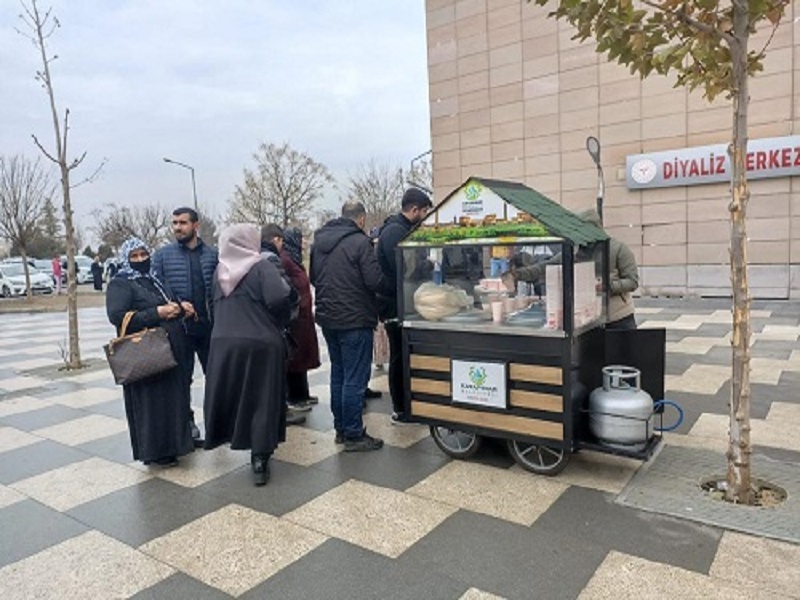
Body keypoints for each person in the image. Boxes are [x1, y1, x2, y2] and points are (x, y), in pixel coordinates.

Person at [203, 224, 293, 486]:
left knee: (236, 396)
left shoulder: (220, 272)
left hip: (223, 343)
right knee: (262, 398)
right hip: (261, 343)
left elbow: (211, 307)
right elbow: (279, 298)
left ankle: (227, 436)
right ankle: (260, 458)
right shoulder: (261, 266)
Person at [105, 237, 195, 467]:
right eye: (134, 256)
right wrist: (157, 313)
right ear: (126, 259)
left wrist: (179, 307)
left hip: (168, 350)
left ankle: (177, 444)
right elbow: (117, 315)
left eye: (143, 254)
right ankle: (156, 451)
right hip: (146, 353)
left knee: (172, 400)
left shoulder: (154, 277)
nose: (140, 260)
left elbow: (167, 301)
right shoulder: (121, 283)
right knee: (151, 404)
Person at [310, 201, 385, 451]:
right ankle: (354, 434)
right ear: (361, 219)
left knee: (339, 374)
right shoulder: (360, 242)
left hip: (329, 318)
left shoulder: (318, 244)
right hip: (355, 318)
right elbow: (374, 281)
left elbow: (313, 277)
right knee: (354, 378)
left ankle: (341, 429)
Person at [507, 208, 639, 330]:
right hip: (588, 320)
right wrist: (517, 275)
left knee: (622, 355)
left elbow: (632, 281)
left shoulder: (619, 249)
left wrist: (608, 286)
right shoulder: (575, 251)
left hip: (618, 317)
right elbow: (545, 267)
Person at [152, 207, 218, 444]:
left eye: (182, 223)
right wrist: (178, 305)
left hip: (209, 329)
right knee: (182, 380)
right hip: (179, 329)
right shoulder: (162, 256)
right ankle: (187, 424)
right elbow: (156, 291)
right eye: (175, 223)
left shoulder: (212, 255)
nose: (178, 227)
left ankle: (216, 422)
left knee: (216, 376)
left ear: (196, 226)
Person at [375, 188, 432, 423]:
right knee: (399, 355)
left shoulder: (403, 230)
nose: (426, 216)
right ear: (414, 209)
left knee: (405, 354)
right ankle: (400, 408)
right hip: (394, 304)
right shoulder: (394, 232)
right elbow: (404, 270)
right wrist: (426, 265)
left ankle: (408, 403)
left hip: (403, 301)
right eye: (425, 211)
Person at [259, 224, 306, 426]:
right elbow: (284, 292)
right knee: (277, 370)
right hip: (276, 324)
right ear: (276, 240)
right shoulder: (271, 259)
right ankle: (281, 411)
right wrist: (290, 311)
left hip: (262, 325)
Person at [280, 226, 321, 407]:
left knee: (303, 356)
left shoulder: (294, 259)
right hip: (296, 318)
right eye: (300, 239)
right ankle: (295, 396)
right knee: (295, 359)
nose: (303, 243)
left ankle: (303, 393)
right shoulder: (286, 260)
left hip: (304, 317)